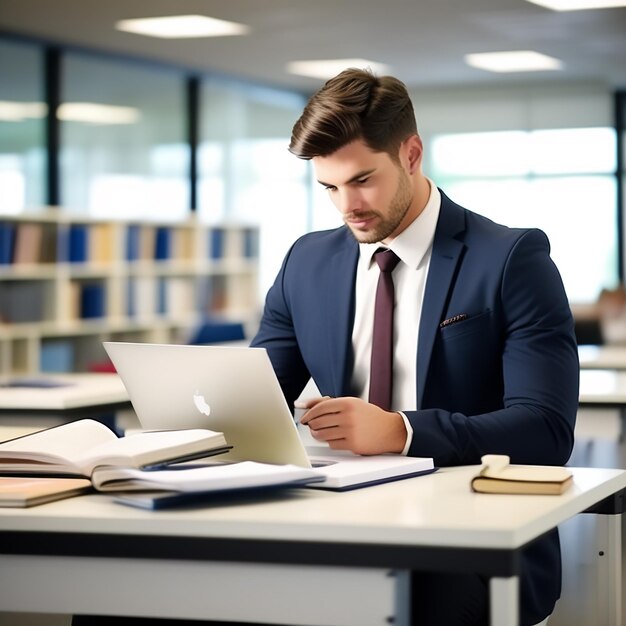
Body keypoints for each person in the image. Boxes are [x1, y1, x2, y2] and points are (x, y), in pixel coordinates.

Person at [249, 68, 579, 626]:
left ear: (411, 154)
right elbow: (253, 397)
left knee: (401, 604)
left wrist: (402, 431)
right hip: (332, 519)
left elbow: (546, 429)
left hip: (470, 540)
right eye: (328, 187)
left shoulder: (511, 259)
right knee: (144, 591)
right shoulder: (306, 262)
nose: (346, 205)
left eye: (362, 180)